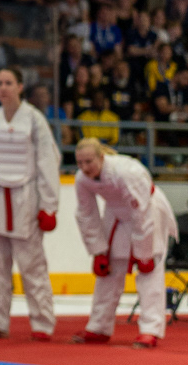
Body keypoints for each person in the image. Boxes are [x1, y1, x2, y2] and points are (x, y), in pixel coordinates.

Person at [0, 67, 61, 341]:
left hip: (25, 201)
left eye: (8, 83)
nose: (3, 88)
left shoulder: (35, 120)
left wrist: (49, 206)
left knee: (33, 268)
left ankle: (42, 324)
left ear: (20, 86)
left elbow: (49, 163)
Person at [72, 138, 177, 349]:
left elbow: (142, 214)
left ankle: (150, 330)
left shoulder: (128, 172)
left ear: (102, 157)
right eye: (80, 163)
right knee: (108, 269)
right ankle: (99, 327)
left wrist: (144, 253)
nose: (84, 167)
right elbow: (86, 215)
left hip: (149, 211)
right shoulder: (82, 179)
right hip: (116, 213)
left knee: (150, 270)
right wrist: (98, 250)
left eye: (89, 161)